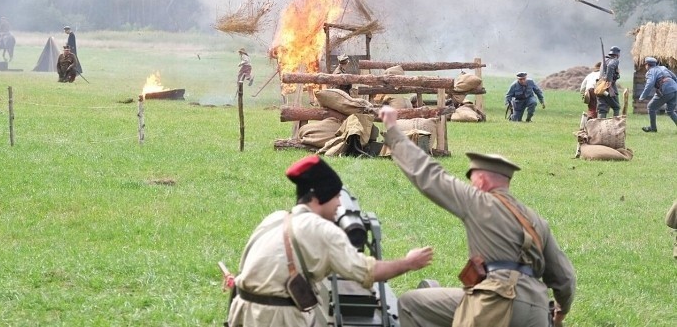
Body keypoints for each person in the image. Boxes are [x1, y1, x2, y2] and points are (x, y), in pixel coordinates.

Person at [378, 106, 576, 327]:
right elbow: (565, 278)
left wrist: (393, 131)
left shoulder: (478, 201)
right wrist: (560, 313)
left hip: (495, 302)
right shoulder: (536, 220)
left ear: (481, 181)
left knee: (410, 303)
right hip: (537, 311)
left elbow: (429, 175)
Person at [226, 155, 433, 327]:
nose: (338, 204)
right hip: (276, 318)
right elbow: (367, 272)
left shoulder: (276, 218)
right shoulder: (322, 231)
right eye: (335, 197)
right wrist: (409, 262)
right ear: (317, 198)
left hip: (242, 310)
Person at [638, 57, 677, 133]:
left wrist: (642, 96)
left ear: (647, 65)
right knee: (670, 111)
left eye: (645, 65)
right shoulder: (663, 67)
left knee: (651, 107)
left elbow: (650, 84)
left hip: (665, 90)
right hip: (675, 89)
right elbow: (675, 77)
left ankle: (653, 128)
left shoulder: (650, 72)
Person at [596, 46, 621, 118]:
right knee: (616, 107)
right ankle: (615, 126)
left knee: (602, 109)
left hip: (600, 87)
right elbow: (610, 66)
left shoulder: (605, 60)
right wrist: (609, 81)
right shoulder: (615, 60)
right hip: (609, 87)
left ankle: (600, 127)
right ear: (617, 54)